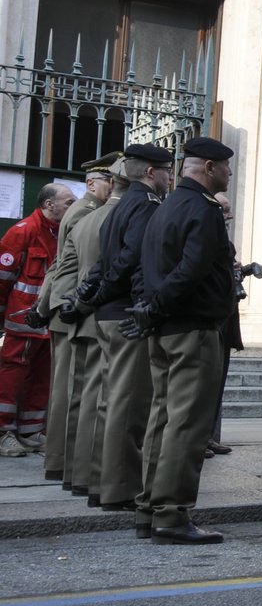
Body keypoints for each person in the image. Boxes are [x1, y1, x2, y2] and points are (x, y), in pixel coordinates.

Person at [126, 136, 235, 544]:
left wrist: (151, 307)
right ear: (208, 167)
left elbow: (144, 264)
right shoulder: (202, 210)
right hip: (191, 328)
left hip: (165, 327)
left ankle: (149, 508)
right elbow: (190, 271)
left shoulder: (167, 204)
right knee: (186, 425)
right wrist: (157, 307)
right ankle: (172, 515)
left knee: (162, 419)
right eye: (226, 166)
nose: (229, 173)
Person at [80, 144, 173, 511]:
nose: (170, 177)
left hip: (108, 312)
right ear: (151, 172)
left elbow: (108, 260)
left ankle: (101, 481)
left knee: (110, 400)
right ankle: (120, 488)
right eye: (167, 170)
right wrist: (106, 292)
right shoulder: (146, 206)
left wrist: (97, 294)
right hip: (124, 313)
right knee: (128, 403)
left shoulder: (121, 204)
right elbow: (129, 259)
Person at [37, 155, 117, 481]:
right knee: (71, 391)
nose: (113, 186)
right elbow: (71, 265)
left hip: (63, 304)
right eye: (109, 181)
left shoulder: (81, 211)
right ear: (92, 183)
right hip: (72, 307)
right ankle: (61, 460)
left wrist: (44, 305)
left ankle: (60, 459)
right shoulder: (86, 212)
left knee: (67, 389)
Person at [0, 183, 73, 457]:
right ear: (48, 204)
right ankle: (3, 431)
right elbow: (2, 279)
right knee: (12, 374)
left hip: (47, 322)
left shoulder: (61, 233)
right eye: (68, 202)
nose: (72, 206)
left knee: (43, 376)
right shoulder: (22, 232)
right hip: (22, 321)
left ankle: (31, 429)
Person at [207, 193, 243, 458]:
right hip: (210, 321)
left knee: (215, 385)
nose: (229, 215)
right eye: (225, 209)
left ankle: (209, 436)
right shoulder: (205, 235)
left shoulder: (222, 239)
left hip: (225, 322)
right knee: (205, 385)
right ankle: (200, 438)